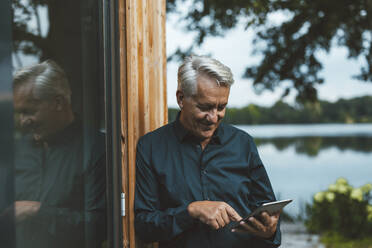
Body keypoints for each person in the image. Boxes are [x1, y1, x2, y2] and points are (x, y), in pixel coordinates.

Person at [134, 55, 281, 247]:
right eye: (205, 107)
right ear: (181, 98)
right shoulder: (151, 147)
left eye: (221, 107)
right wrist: (190, 211)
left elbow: (267, 210)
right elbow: (144, 226)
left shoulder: (243, 143)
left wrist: (270, 232)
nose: (213, 117)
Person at [13, 60, 106, 248]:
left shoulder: (98, 149)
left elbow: (100, 226)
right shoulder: (17, 150)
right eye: (19, 113)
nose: (23, 122)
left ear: (58, 102)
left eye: (29, 112)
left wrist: (37, 211)